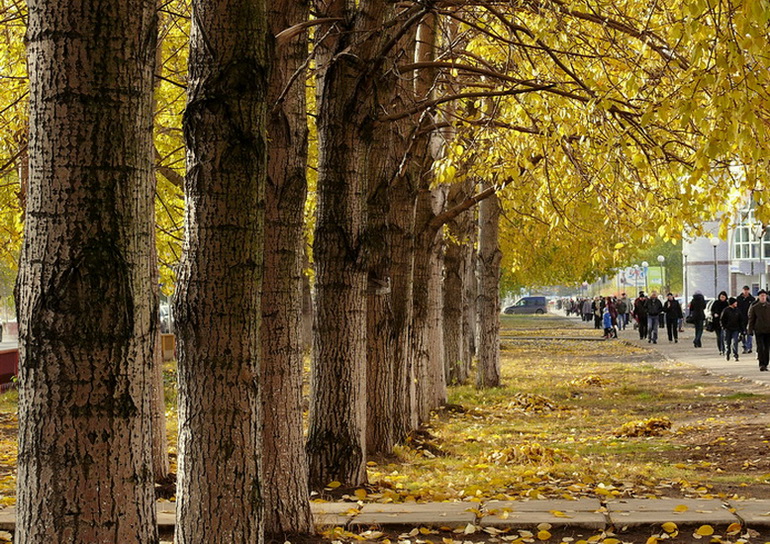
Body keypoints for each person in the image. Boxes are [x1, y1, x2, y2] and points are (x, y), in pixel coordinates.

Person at [748, 289, 770, 371]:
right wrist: (750, 330)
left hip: (768, 331)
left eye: (764, 295)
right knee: (761, 347)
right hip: (759, 330)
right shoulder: (755, 307)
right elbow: (751, 319)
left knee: (767, 348)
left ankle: (766, 363)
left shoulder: (769, 306)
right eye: (761, 296)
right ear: (758, 297)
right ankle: (761, 364)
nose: (763, 297)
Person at [721, 297, 743, 361]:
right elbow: (722, 320)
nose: (736, 303)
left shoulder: (738, 310)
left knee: (735, 342)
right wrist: (724, 327)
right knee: (727, 343)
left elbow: (741, 320)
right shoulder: (726, 310)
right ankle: (727, 353)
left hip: (736, 329)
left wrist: (742, 330)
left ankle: (735, 355)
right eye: (735, 302)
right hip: (727, 329)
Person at [736, 285, 755, 354]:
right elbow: (737, 308)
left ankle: (749, 347)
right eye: (745, 290)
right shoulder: (739, 299)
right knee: (743, 334)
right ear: (742, 290)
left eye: (747, 290)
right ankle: (744, 347)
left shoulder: (752, 299)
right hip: (741, 319)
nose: (746, 291)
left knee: (749, 333)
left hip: (750, 319)